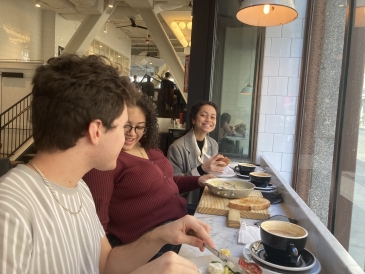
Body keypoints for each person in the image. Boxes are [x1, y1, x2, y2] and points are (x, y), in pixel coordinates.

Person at [0, 54, 214, 274]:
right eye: (122, 127)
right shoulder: (10, 209)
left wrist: (160, 236)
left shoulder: (79, 188)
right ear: (96, 131)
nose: (127, 138)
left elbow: (105, 263)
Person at [83, 91, 215, 258]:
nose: (132, 133)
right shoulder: (106, 161)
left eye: (140, 127)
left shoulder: (151, 149)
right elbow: (97, 224)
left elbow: (167, 182)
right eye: (126, 125)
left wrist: (199, 180)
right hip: (149, 242)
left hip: (180, 221)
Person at [167, 101, 226, 205]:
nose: (208, 120)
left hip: (208, 200)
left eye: (213, 117)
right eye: (203, 115)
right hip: (186, 205)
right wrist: (201, 169)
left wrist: (220, 167)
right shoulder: (177, 147)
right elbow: (173, 183)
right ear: (193, 119)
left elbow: (214, 175)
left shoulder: (214, 144)